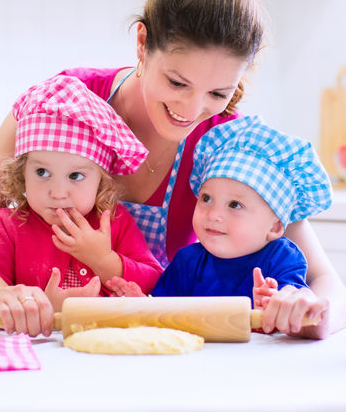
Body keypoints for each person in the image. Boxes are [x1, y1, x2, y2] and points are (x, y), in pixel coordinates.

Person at [0, 0, 346, 339]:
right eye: (177, 83)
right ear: (143, 43)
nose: (191, 110)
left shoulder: (230, 145)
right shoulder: (64, 103)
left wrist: (313, 309)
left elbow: (324, 280)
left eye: (218, 92)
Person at [106, 115, 332, 331]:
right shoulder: (188, 262)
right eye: (206, 198)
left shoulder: (282, 259)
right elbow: (164, 314)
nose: (213, 214)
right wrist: (143, 305)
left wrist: (276, 304)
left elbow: (294, 307)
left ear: (274, 227)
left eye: (234, 205)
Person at [0, 74, 163, 316]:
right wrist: (46, 309)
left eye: (75, 176)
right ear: (22, 173)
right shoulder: (3, 228)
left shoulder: (115, 222)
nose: (58, 192)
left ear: (101, 181)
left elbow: (155, 282)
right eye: (42, 172)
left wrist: (105, 261)